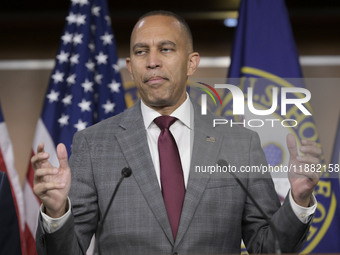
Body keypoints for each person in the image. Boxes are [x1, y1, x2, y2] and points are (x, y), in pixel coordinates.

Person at [32, 11, 322, 255]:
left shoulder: (240, 143)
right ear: (131, 68)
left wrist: (298, 201)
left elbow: (268, 247)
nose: (153, 61)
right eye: (141, 51)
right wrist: (57, 213)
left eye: (166, 49)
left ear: (191, 63)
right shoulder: (94, 145)